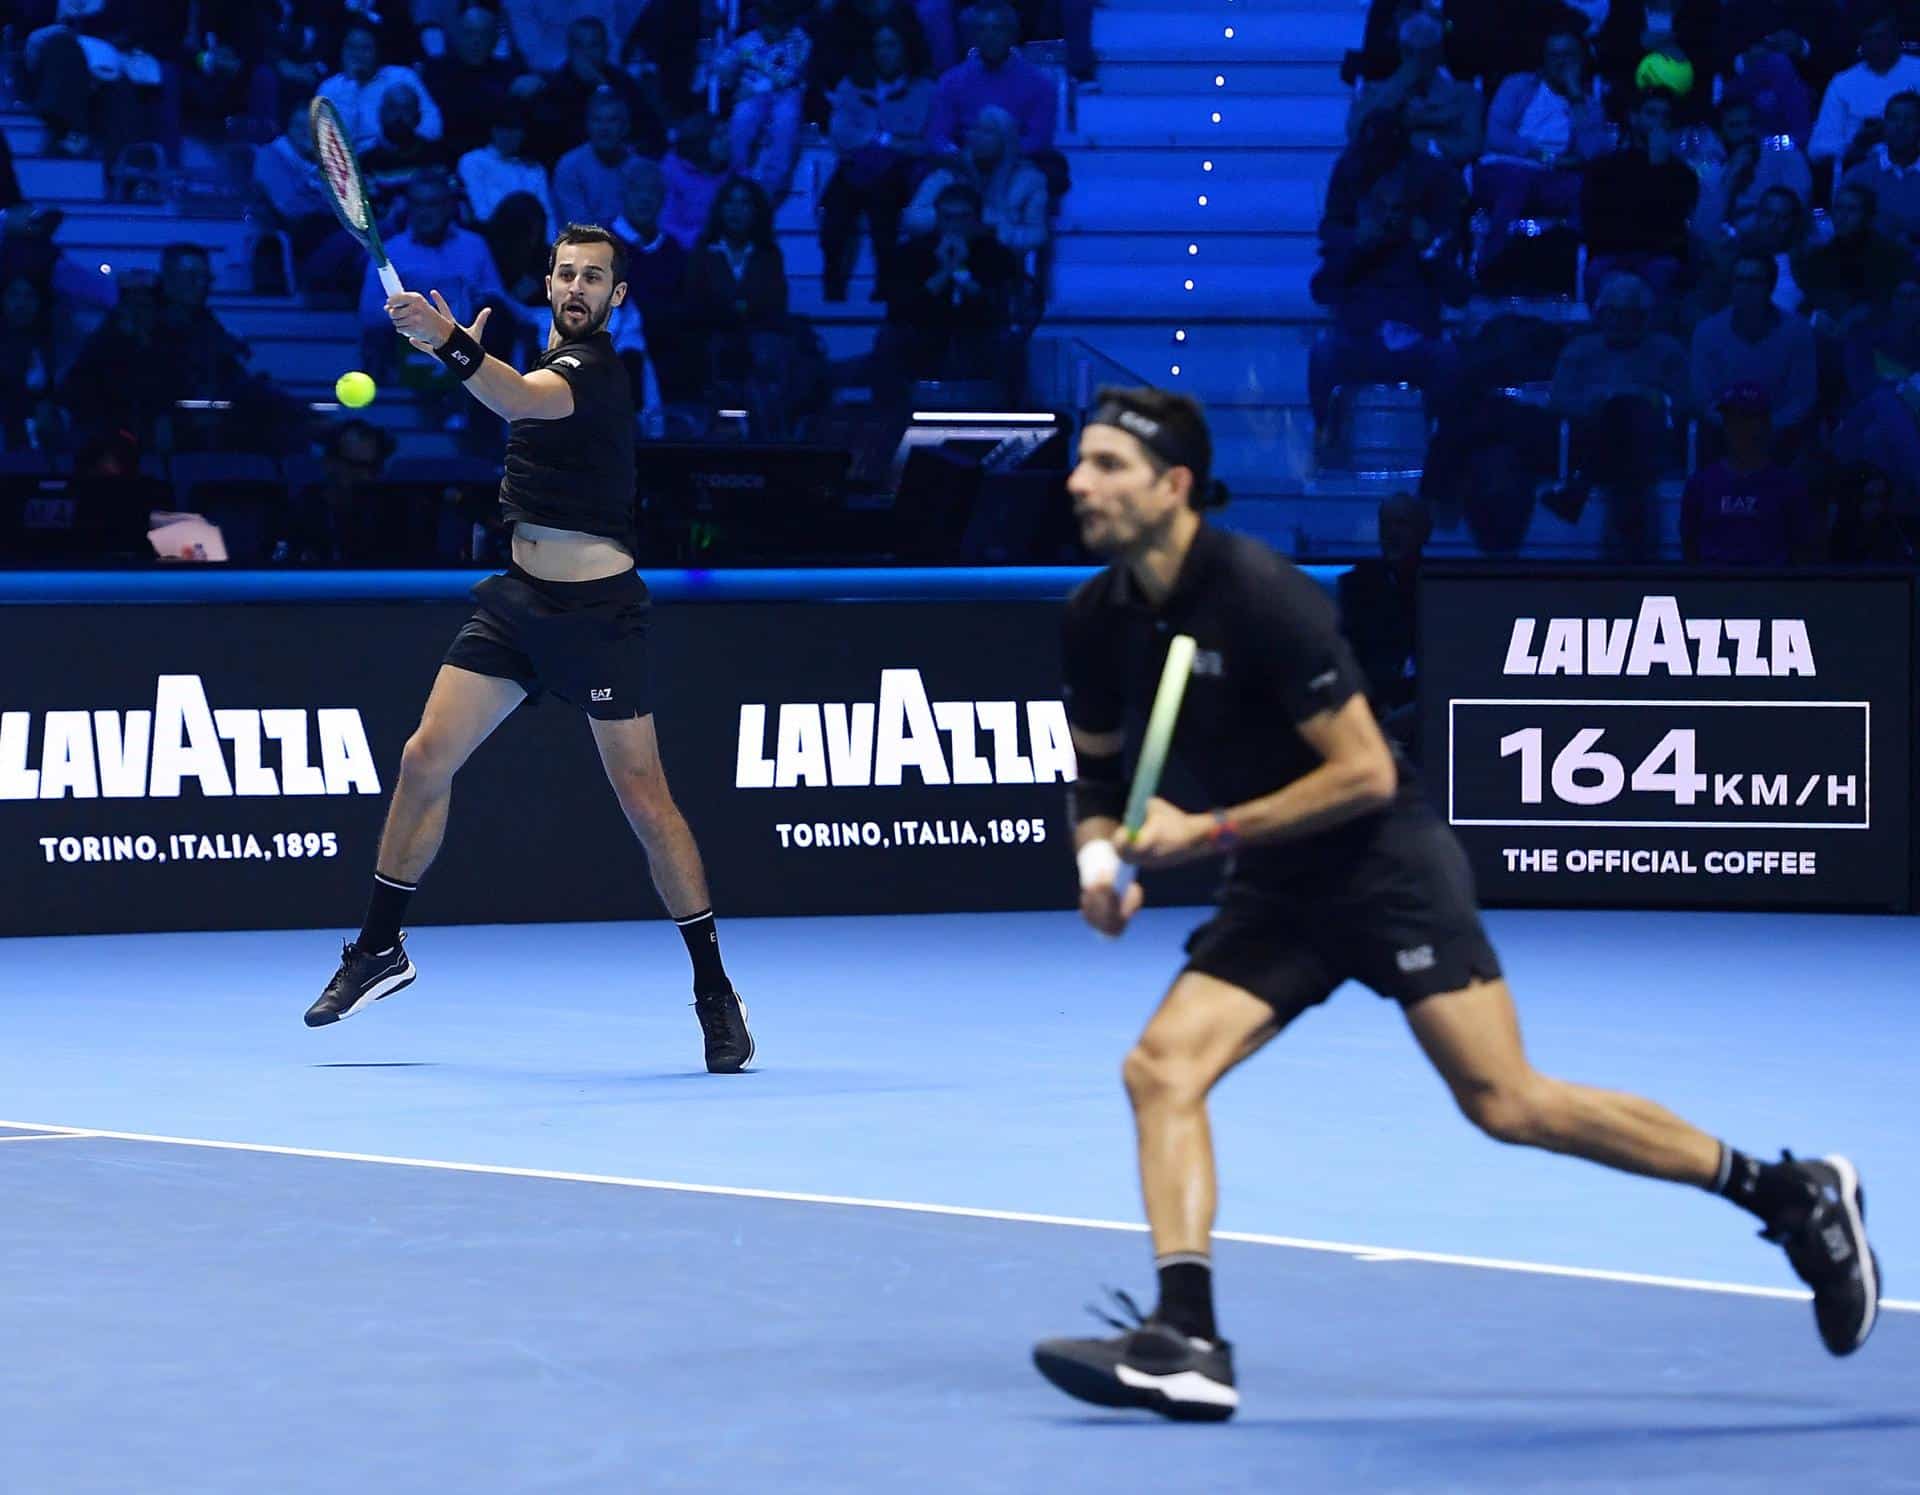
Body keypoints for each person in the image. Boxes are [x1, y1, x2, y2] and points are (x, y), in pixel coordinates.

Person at [1029, 384, 1881, 1421]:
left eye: (1108, 465)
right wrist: (1097, 866)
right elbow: (1099, 784)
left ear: (1170, 486)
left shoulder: (1262, 593)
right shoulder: (1094, 618)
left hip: (1385, 870)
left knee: (1507, 1103)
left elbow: (1364, 774)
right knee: (1160, 1067)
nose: (1080, 480)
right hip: (1281, 889)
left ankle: (1785, 1193)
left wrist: (1201, 834)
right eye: (1081, 461)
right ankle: (1188, 1337)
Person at [307, 222, 757, 1075]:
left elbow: (520, 398)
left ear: (617, 298)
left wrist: (447, 345)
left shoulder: (597, 371)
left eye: (595, 278)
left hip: (598, 616)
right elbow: (508, 389)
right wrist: (461, 359)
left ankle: (713, 989)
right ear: (547, 284)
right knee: (424, 755)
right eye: (566, 274)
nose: (578, 287)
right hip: (517, 605)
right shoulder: (538, 363)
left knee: (645, 803)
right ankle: (377, 948)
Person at [819, 23, 935, 301]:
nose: (884, 53)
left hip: (898, 169)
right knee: (835, 206)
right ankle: (832, 281)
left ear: (906, 48)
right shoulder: (851, 86)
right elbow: (841, 134)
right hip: (856, 164)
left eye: (891, 44)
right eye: (879, 45)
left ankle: (886, 282)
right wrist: (886, 139)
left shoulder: (926, 89)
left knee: (884, 202)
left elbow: (926, 142)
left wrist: (877, 141)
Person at [1680, 382, 1822, 564]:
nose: (1740, 429)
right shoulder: (1700, 485)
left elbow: (1802, 551)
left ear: (1766, 425)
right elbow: (1690, 548)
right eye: (1733, 420)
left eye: (1747, 419)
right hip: (1714, 587)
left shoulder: (1789, 487)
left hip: (1771, 588)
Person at [1346, 11, 1485, 168]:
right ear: (1402, 50)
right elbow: (1356, 133)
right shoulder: (1372, 92)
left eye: (1425, 53)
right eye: (1411, 52)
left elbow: (1473, 145)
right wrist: (1396, 88)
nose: (1418, 61)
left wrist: (1423, 143)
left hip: (1438, 173)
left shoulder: (1465, 95)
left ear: (1437, 53)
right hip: (1386, 175)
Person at [1808, 9, 1920, 170]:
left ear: (1896, 38)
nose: (1875, 45)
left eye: (1881, 37)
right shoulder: (1843, 82)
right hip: (1860, 173)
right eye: (1869, 39)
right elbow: (1817, 148)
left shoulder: (1917, 71)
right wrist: (1856, 143)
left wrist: (1893, 132)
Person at [1841, 90, 1920, 245]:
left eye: (1909, 119)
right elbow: (1844, 230)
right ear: (1884, 125)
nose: (1900, 126)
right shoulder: (1858, 177)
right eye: (1893, 118)